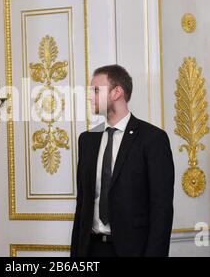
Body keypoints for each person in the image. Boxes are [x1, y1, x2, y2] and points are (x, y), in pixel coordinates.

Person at [71, 65, 175, 257]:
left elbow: (162, 209)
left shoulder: (152, 139)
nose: (90, 96)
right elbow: (82, 205)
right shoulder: (87, 140)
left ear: (117, 92)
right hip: (91, 249)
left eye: (96, 90)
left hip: (133, 251)